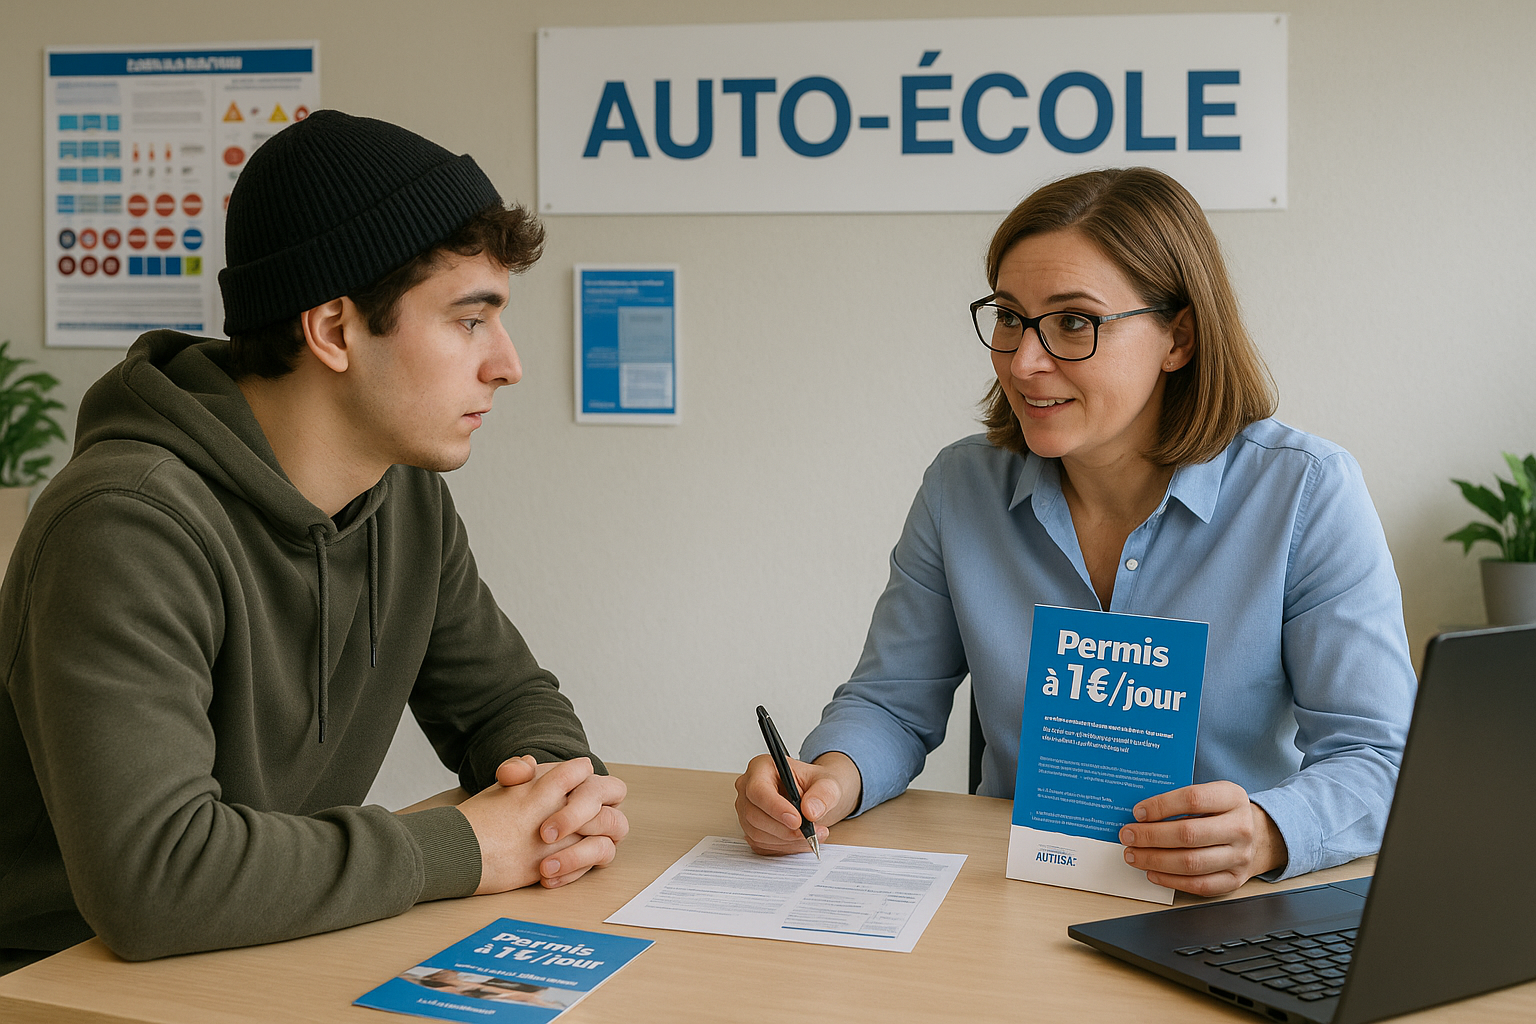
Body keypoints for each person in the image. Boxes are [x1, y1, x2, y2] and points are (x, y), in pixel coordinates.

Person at [0, 110, 627, 975]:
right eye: (469, 320)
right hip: (62, 983)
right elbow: (155, 879)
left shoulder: (403, 496)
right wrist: (468, 846)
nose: (507, 364)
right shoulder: (124, 523)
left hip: (256, 951)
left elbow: (505, 702)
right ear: (333, 330)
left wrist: (555, 799)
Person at [734, 167, 1417, 896]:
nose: (1024, 362)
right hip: (1016, 895)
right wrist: (825, 783)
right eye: (1009, 317)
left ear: (1179, 337)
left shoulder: (1305, 492)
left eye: (1073, 323)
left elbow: (1383, 755)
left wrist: (1268, 832)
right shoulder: (961, 487)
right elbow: (890, 704)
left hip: (1220, 908)